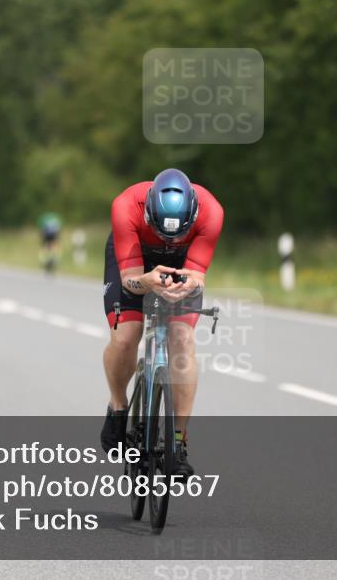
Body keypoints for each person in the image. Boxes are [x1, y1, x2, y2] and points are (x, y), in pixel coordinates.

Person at [100, 169, 223, 477]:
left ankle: (178, 441)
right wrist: (148, 282)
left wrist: (185, 287)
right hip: (135, 260)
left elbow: (196, 275)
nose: (170, 238)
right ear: (149, 211)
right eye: (163, 229)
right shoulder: (126, 205)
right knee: (127, 336)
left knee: (182, 340)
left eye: (178, 231)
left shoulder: (212, 212)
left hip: (182, 262)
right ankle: (118, 406)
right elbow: (130, 282)